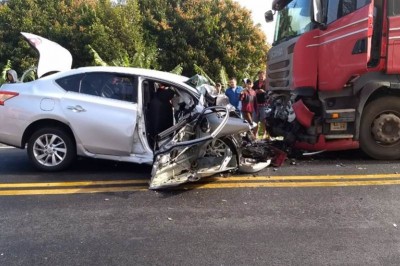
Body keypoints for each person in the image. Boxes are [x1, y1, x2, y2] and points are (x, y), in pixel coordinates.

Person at [253, 70, 269, 139]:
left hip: (264, 105)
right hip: (256, 105)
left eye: (262, 76)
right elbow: (252, 92)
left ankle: (265, 134)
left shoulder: (267, 83)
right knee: (255, 120)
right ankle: (254, 135)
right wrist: (255, 91)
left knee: (264, 120)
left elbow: (270, 93)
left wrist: (264, 92)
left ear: (265, 76)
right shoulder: (255, 83)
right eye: (259, 76)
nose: (261, 78)